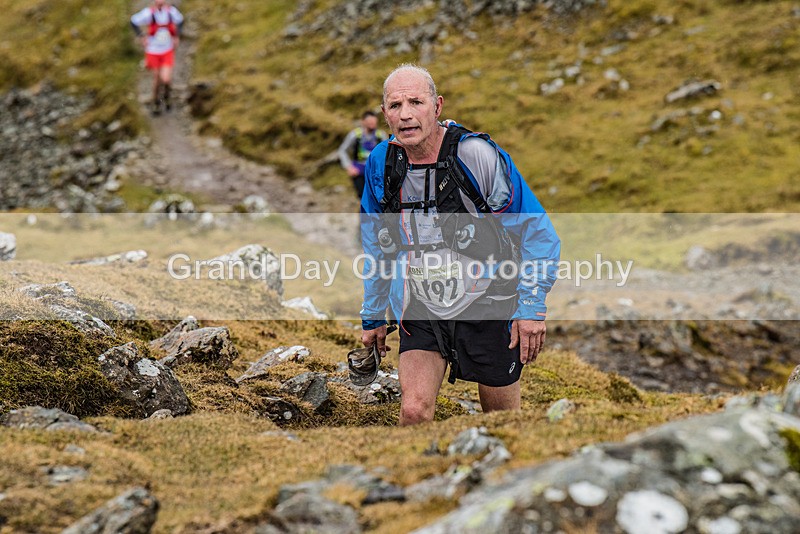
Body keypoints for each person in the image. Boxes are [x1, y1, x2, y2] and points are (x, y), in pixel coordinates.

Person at [358, 65, 561, 426]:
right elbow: (377, 245)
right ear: (385, 114)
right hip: (420, 305)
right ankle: (412, 479)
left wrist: (531, 308)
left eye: (416, 102)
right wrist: (373, 315)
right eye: (395, 105)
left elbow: (538, 233)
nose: (405, 114)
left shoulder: (477, 156)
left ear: (436, 107)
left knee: (502, 422)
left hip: (490, 302)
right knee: (413, 411)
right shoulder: (381, 164)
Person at [130, 1, 184, 115]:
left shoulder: (170, 12)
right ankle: (156, 102)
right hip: (153, 51)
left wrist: (176, 36)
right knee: (157, 78)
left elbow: (180, 21)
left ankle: (167, 96)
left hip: (167, 50)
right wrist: (141, 36)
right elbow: (134, 21)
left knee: (166, 78)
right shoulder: (148, 13)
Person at [338, 111, 388, 198]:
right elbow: (342, 150)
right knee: (363, 196)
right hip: (359, 171)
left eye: (374, 122)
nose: (372, 124)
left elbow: (388, 153)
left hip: (376, 172)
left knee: (377, 197)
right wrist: (349, 167)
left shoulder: (381, 135)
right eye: (370, 122)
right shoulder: (355, 135)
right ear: (363, 122)